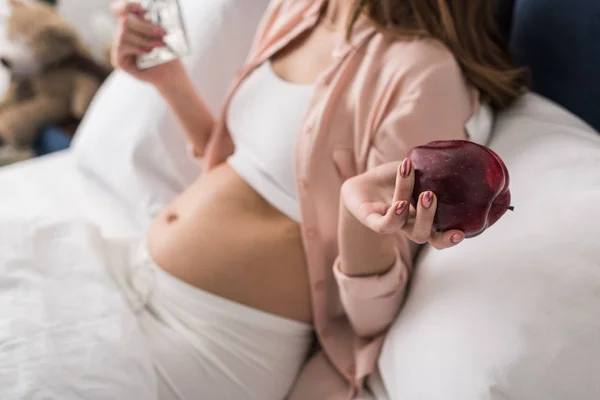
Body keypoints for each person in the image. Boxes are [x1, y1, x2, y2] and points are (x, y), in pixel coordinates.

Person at [3, 1, 527, 399]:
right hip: (133, 272)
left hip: (215, 340)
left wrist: (356, 208)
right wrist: (168, 81)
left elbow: (369, 317)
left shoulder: (422, 73)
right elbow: (235, 164)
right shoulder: (300, 10)